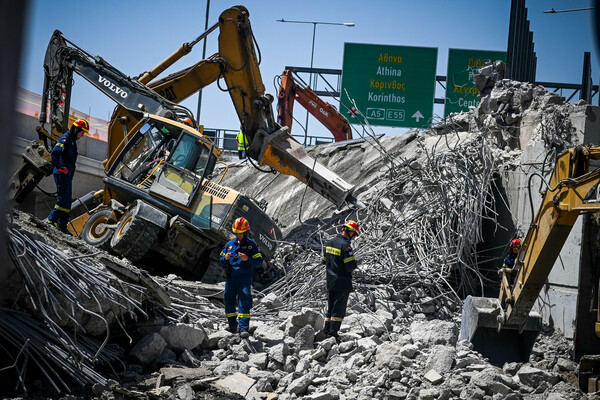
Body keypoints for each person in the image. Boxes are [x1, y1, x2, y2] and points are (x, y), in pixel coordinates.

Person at [219, 217, 263, 338]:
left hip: (244, 279)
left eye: (240, 233)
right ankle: (233, 326)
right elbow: (221, 260)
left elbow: (259, 262)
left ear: (245, 232)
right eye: (236, 233)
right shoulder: (229, 245)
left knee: (244, 302)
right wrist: (225, 259)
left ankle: (243, 328)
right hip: (231, 278)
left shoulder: (251, 245)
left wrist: (247, 259)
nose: (238, 235)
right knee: (229, 302)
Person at [46, 118, 89, 234]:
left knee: (67, 200)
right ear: (76, 130)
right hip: (62, 173)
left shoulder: (72, 141)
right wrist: (60, 167)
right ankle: (52, 220)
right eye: (82, 132)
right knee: (62, 198)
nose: (83, 135)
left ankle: (62, 226)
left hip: (67, 174)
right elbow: (55, 152)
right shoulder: (66, 138)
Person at [323, 220, 360, 340]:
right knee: (338, 310)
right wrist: (357, 263)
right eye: (355, 235)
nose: (354, 238)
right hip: (342, 281)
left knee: (330, 308)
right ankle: (332, 335)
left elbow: (324, 260)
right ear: (350, 232)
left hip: (330, 280)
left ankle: (326, 330)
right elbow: (349, 266)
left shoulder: (329, 243)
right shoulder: (345, 246)